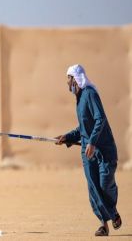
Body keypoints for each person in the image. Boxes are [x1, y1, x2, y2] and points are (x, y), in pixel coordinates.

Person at [55, 64, 122, 236]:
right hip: (87, 152)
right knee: (93, 187)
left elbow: (100, 119)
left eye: (68, 78)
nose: (67, 82)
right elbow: (83, 128)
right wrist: (67, 137)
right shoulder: (78, 99)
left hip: (104, 150)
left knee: (105, 184)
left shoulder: (90, 94)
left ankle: (113, 212)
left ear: (75, 79)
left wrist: (92, 142)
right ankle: (104, 225)